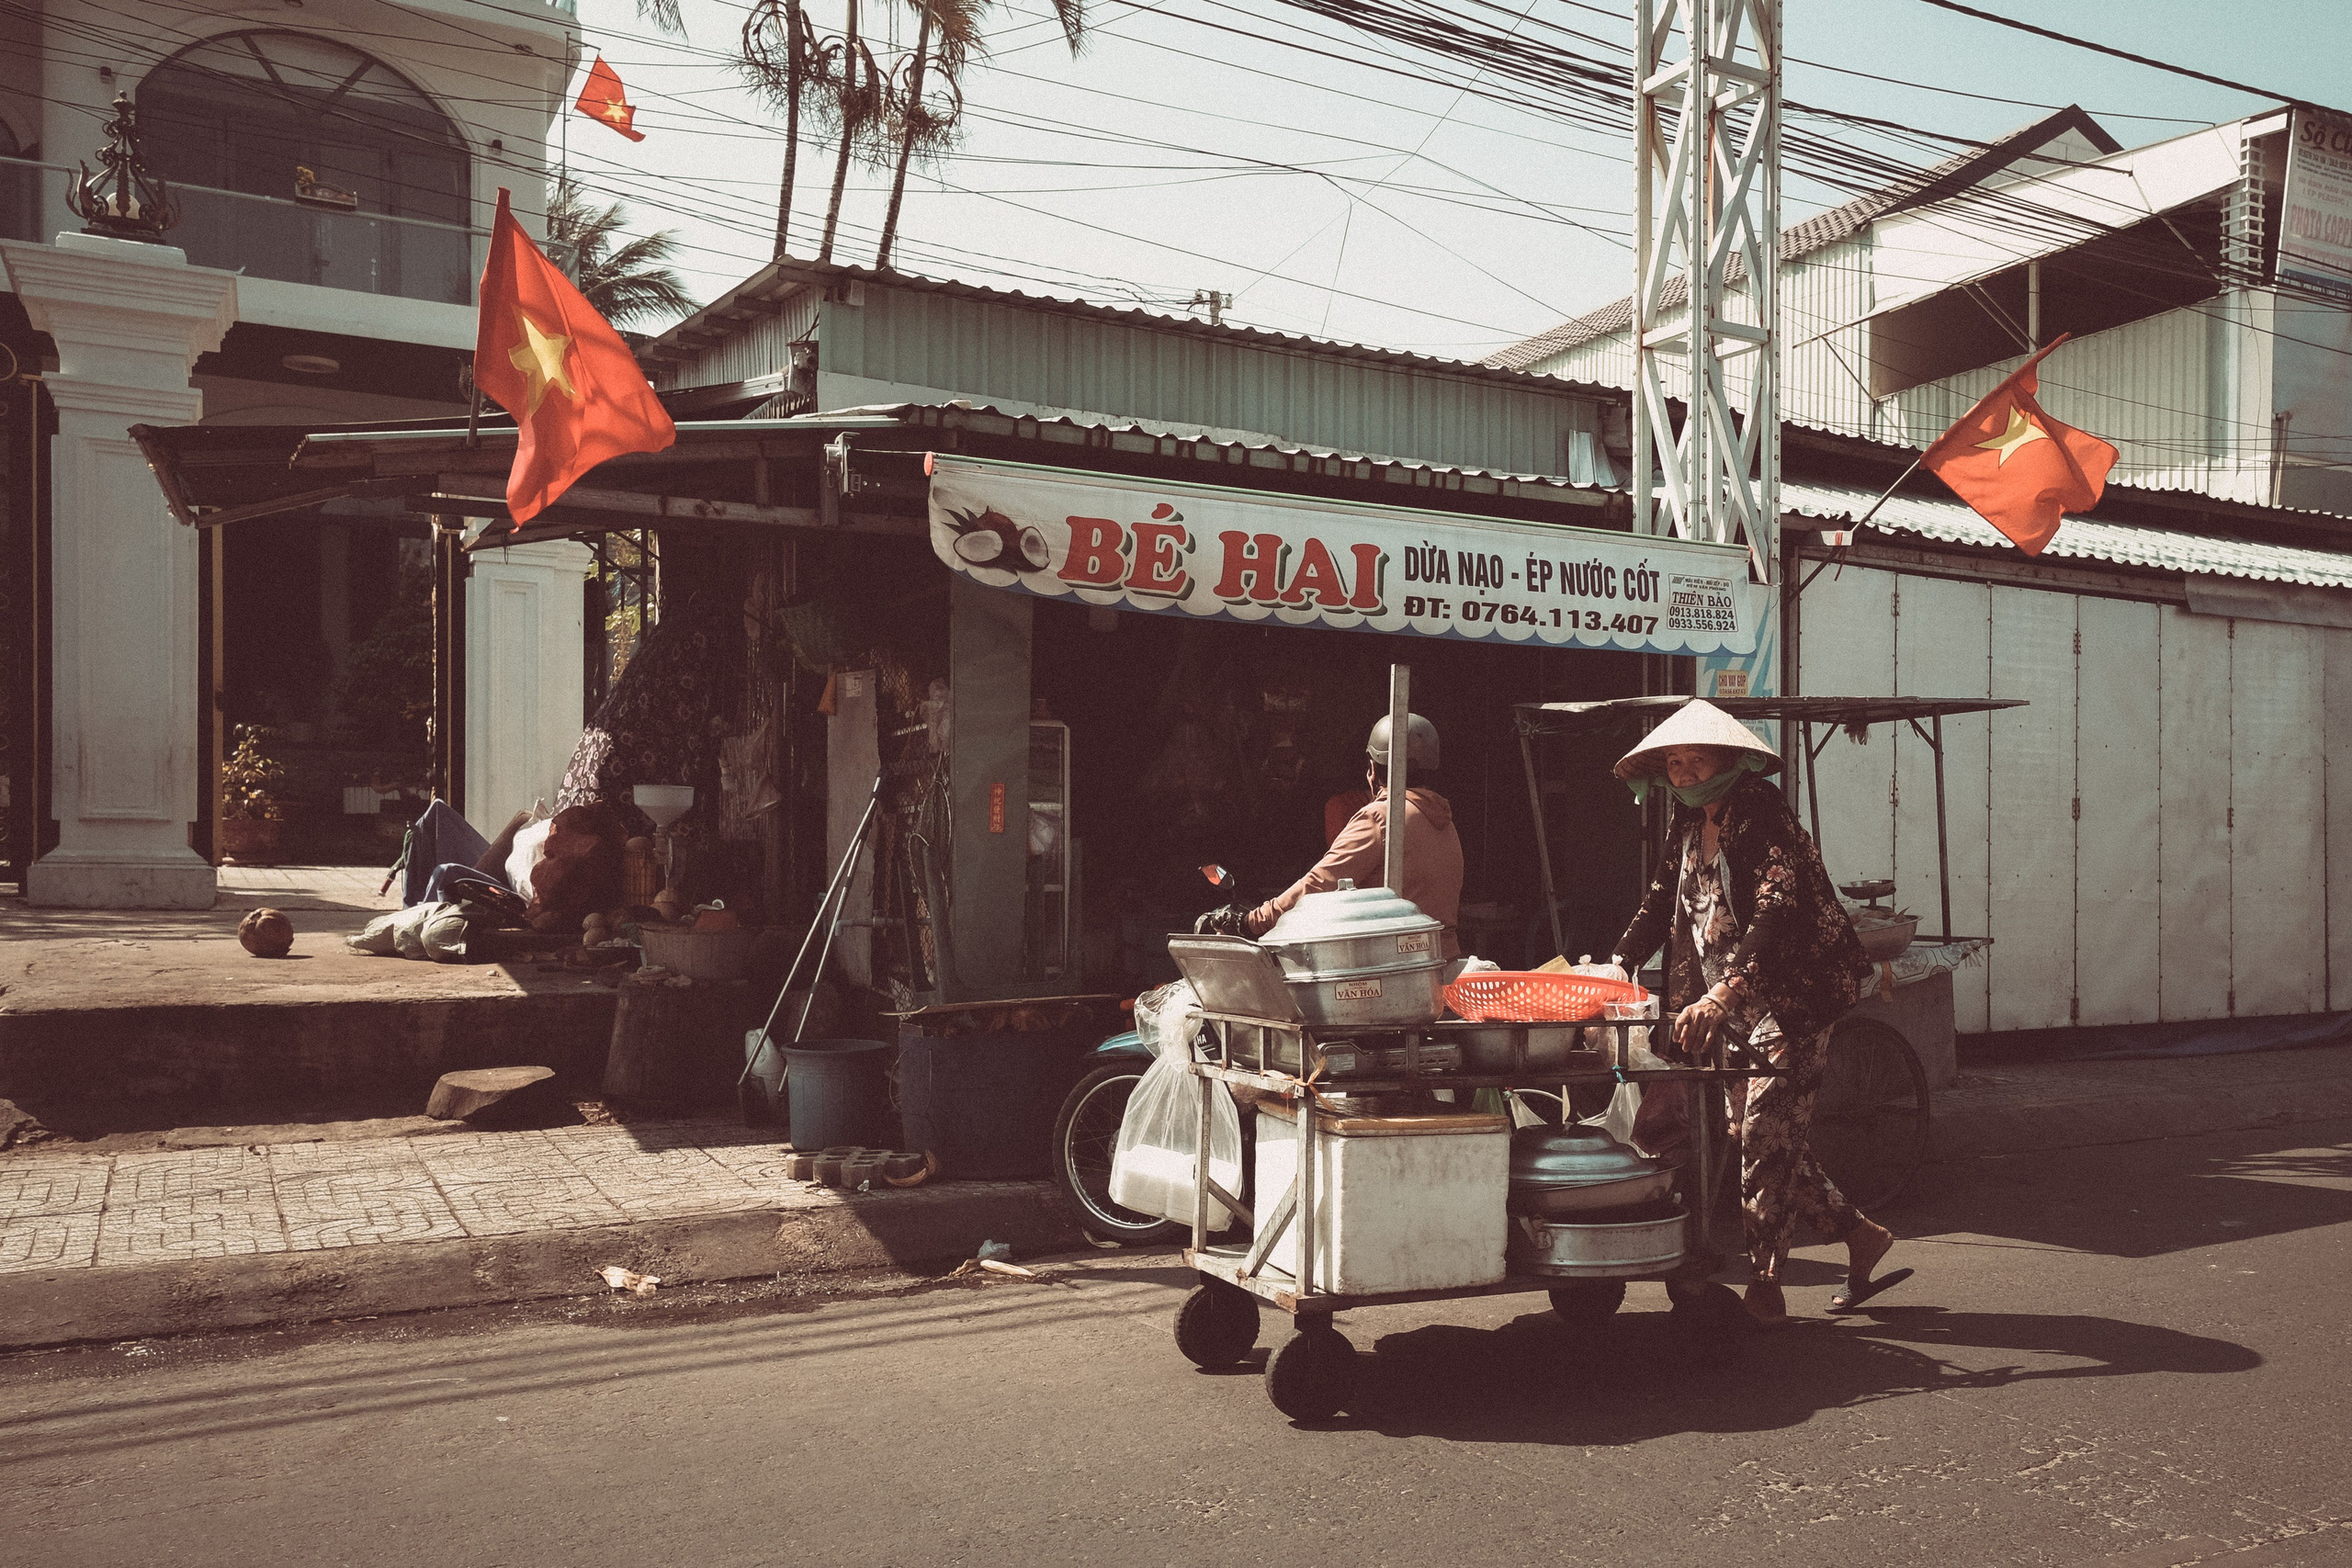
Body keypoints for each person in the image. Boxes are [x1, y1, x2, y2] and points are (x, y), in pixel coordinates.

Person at [1608, 699, 1909, 1326]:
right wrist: (1615, 964)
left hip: (1793, 995)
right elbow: (1660, 898)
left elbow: (1775, 906)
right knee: (1756, 1136)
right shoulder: (1688, 823)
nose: (1686, 773)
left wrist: (1726, 991)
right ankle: (1859, 1235)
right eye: (1676, 763)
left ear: (1727, 761)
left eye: (1697, 761)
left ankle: (1765, 1280)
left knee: (1765, 1135)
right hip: (1734, 1004)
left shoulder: (1761, 814)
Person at [1201, 712, 1464, 959]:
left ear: (1372, 769)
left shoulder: (1381, 817)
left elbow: (1321, 883)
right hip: (1441, 957)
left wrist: (1252, 921)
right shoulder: (1444, 821)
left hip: (1394, 963)